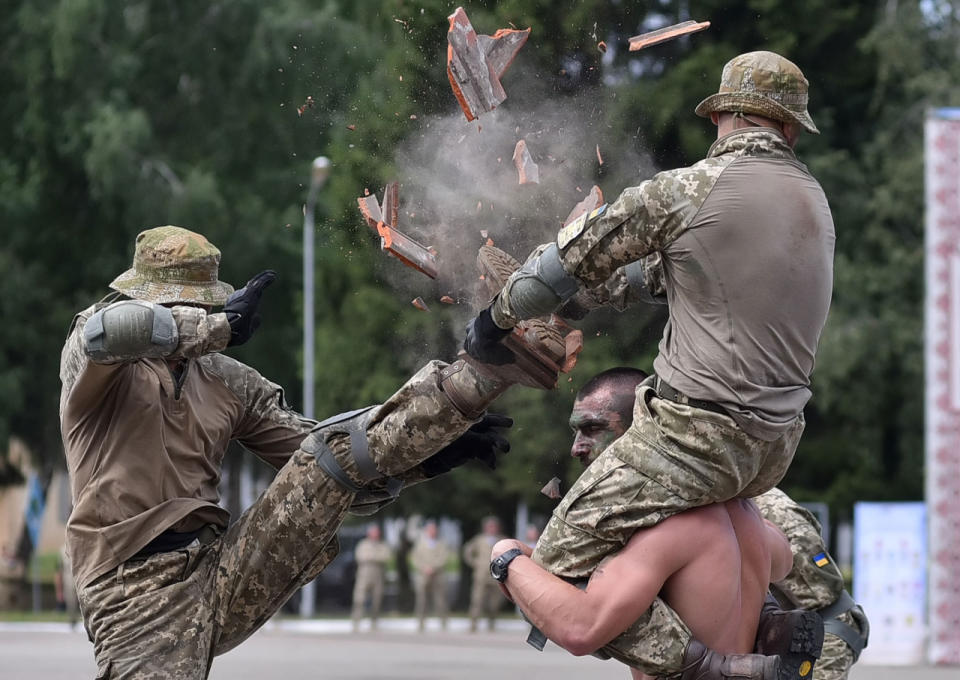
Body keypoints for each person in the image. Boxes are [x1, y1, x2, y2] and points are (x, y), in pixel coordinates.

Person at [463, 51, 835, 680]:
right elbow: (676, 272)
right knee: (730, 553)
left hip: (693, 438)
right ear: (790, 129)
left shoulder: (692, 189)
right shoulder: (813, 203)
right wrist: (594, 294)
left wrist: (495, 319)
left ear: (722, 117)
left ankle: (711, 665)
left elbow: (572, 257)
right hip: (772, 446)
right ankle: (766, 624)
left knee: (552, 577)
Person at [59, 226, 575, 679]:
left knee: (321, 458)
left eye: (200, 303)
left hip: (218, 567)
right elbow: (108, 332)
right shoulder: (99, 359)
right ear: (144, 299)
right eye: (176, 303)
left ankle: (481, 371)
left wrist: (431, 454)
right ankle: (476, 374)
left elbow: (332, 461)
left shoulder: (227, 381)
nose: (192, 312)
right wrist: (213, 330)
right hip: (133, 586)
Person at [530, 368, 865, 679]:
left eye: (593, 428)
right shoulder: (648, 504)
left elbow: (815, 589)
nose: (576, 448)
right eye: (576, 432)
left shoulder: (749, 503)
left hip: (819, 635)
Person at [490, 498, 795, 680]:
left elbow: (580, 631)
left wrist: (506, 556)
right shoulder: (750, 518)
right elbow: (785, 563)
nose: (578, 447)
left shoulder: (669, 530)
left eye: (594, 429)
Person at [462, 516, 505, 632]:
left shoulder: (502, 540)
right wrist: (475, 563)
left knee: (494, 602)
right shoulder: (479, 540)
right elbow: (467, 551)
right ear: (485, 528)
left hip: (496, 576)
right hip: (481, 575)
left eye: (493, 526)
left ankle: (492, 622)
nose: (491, 529)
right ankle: (473, 624)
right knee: (477, 600)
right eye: (489, 526)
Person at [410, 520, 451, 632]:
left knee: (440, 600)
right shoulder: (420, 544)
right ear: (426, 531)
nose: (432, 531)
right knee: (422, 600)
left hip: (438, 575)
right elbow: (414, 558)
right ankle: (421, 623)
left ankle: (443, 623)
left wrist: (433, 567)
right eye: (430, 529)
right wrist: (423, 568)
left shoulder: (442, 544)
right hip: (423, 576)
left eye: (434, 529)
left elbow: (444, 558)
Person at [351, 524, 392, 631]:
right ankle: (356, 622)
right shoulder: (363, 545)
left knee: (376, 600)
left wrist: (371, 557)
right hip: (364, 575)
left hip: (378, 576)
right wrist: (375, 557)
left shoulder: (382, 545)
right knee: (359, 599)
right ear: (369, 534)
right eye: (373, 532)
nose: (375, 534)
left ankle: (374, 622)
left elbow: (386, 557)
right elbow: (361, 557)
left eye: (376, 532)